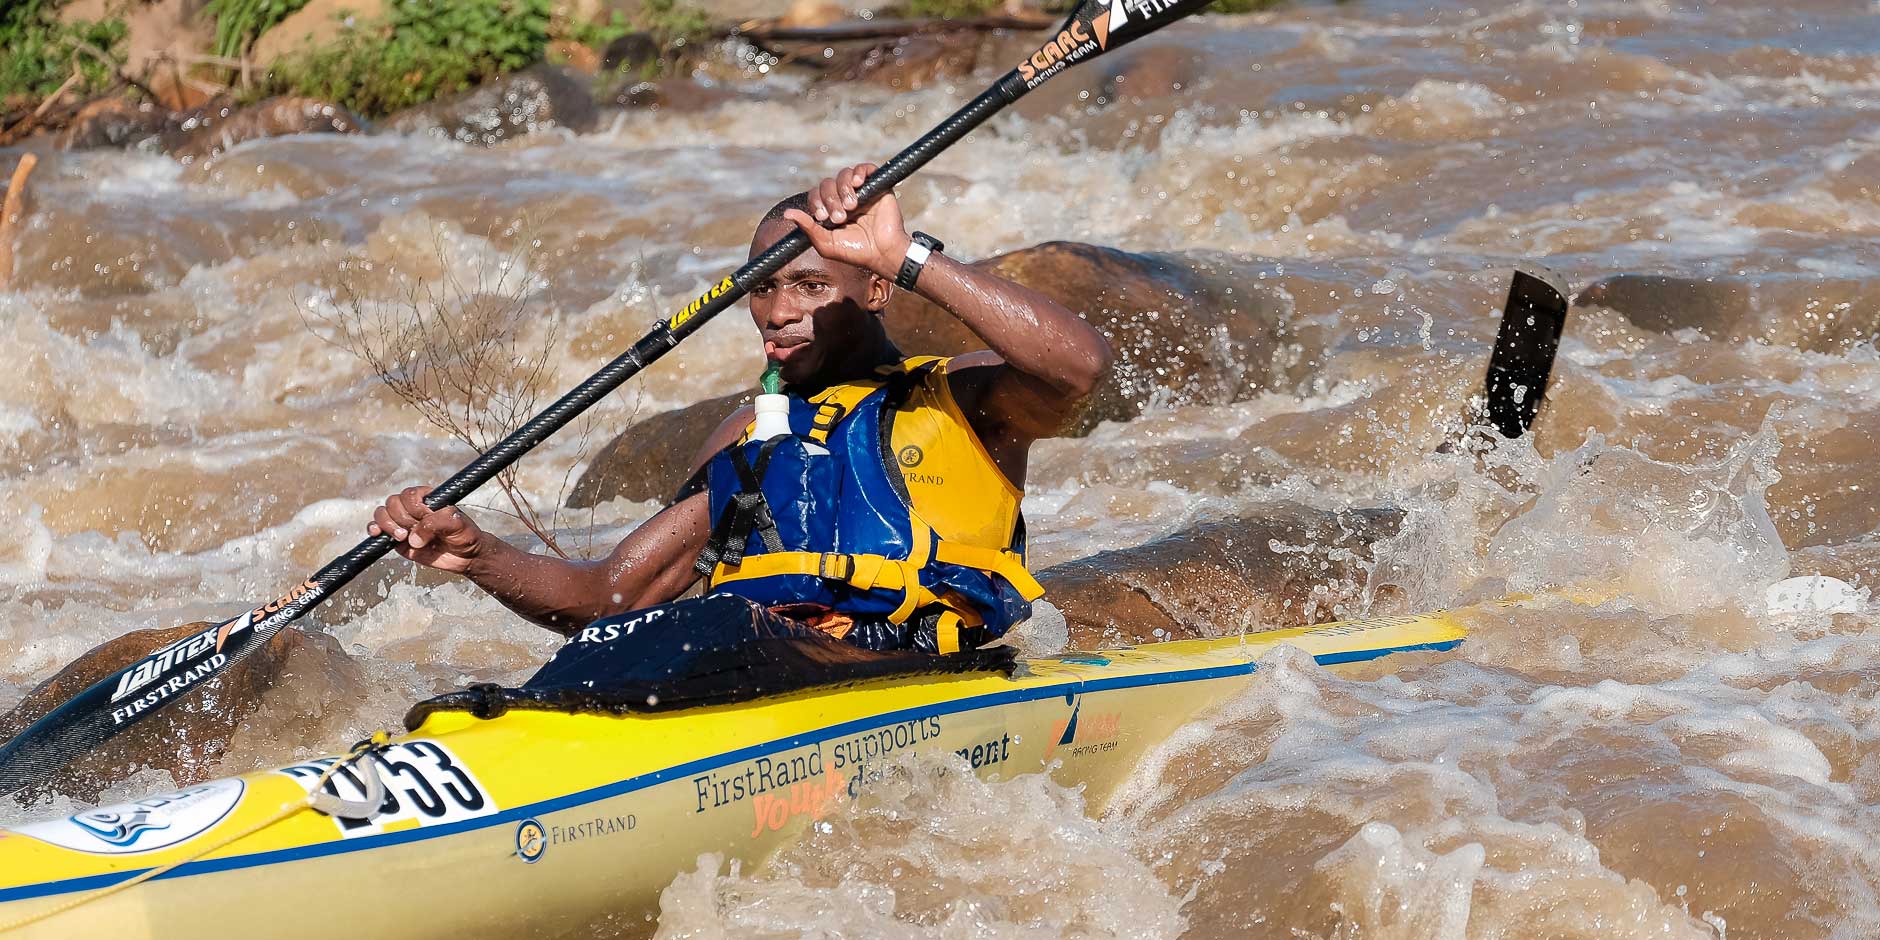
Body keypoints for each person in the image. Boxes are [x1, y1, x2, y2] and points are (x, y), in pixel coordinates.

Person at [367, 164, 1111, 654]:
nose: (778, 312)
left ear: (875, 292)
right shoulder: (751, 434)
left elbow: (1079, 367)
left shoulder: (964, 397)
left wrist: (903, 255)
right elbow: (613, 599)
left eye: (812, 287)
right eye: (763, 287)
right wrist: (478, 556)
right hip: (768, 672)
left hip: (926, 675)